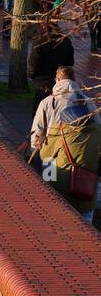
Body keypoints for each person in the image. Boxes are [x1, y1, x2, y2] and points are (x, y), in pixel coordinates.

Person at [32, 67, 100, 221]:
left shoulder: (49, 103)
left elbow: (42, 148)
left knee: (54, 207)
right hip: (86, 185)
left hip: (56, 168)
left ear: (57, 80)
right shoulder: (89, 104)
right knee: (86, 225)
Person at [28, 25, 75, 106]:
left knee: (40, 110)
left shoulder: (39, 42)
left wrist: (33, 76)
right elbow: (70, 62)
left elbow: (33, 65)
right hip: (60, 82)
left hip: (43, 84)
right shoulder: (65, 40)